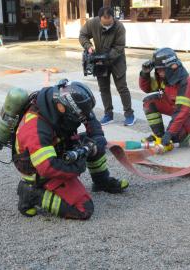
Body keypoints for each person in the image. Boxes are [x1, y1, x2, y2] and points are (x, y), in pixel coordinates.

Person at [15, 80, 129, 220]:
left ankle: (101, 181)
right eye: (77, 117)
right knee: (83, 209)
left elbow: (89, 118)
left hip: (58, 149)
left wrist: (97, 138)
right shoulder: (35, 127)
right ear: (61, 108)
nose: (81, 119)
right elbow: (47, 167)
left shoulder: (66, 103)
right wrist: (77, 167)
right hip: (39, 170)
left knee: (93, 141)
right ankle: (31, 193)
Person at [79, 7, 136, 126]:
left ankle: (129, 114)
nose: (107, 26)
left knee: (122, 88)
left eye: (110, 23)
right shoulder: (92, 23)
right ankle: (108, 114)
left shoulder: (119, 27)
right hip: (99, 62)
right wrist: (88, 46)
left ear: (113, 18)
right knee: (104, 89)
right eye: (104, 24)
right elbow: (83, 35)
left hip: (117, 61)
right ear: (99, 19)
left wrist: (104, 57)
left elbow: (119, 47)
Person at [139, 48, 190, 147]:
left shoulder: (187, 83)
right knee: (149, 102)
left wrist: (169, 134)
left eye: (161, 69)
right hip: (176, 107)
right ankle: (159, 135)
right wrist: (144, 74)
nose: (158, 72)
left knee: (175, 138)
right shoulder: (166, 77)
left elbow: (182, 111)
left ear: (172, 67)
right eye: (157, 69)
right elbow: (147, 88)